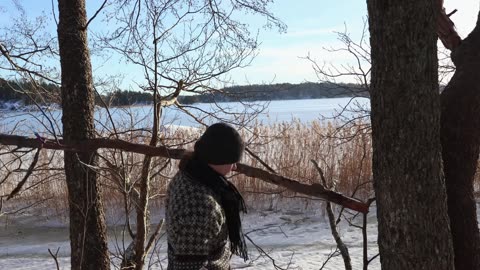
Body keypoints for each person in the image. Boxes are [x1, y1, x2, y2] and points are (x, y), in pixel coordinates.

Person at [166, 122, 248, 270]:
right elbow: (189, 267)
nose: (235, 167)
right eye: (232, 161)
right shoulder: (199, 205)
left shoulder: (190, 174)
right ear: (218, 159)